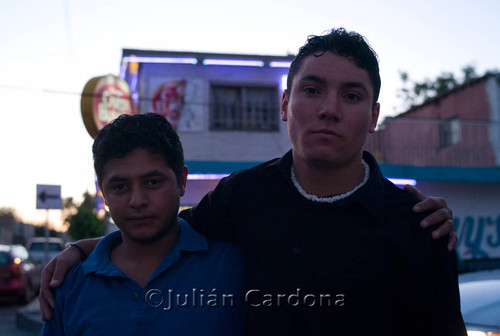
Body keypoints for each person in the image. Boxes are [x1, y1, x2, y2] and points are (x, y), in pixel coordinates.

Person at [40, 28, 463, 335]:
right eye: (312, 90)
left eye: (351, 96)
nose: (329, 109)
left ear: (373, 117)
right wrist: (79, 250)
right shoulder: (243, 196)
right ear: (285, 104)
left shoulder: (418, 226)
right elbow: (158, 226)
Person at [39, 113, 246, 335]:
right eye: (120, 187)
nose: (137, 201)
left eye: (153, 182)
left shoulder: (236, 267)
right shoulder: (70, 285)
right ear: (103, 192)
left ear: (182, 181)